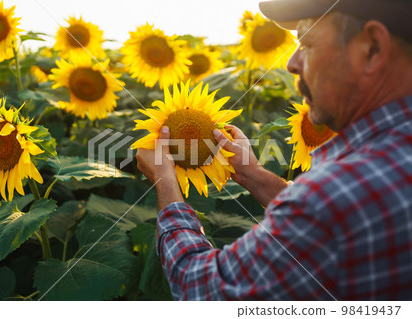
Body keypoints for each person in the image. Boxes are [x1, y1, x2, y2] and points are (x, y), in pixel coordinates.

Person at [135, 0, 412, 300]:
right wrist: (254, 175)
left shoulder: (336, 193)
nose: (292, 63)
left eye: (307, 42)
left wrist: (166, 185)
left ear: (371, 48)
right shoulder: (384, 168)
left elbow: (202, 291)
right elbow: (340, 231)